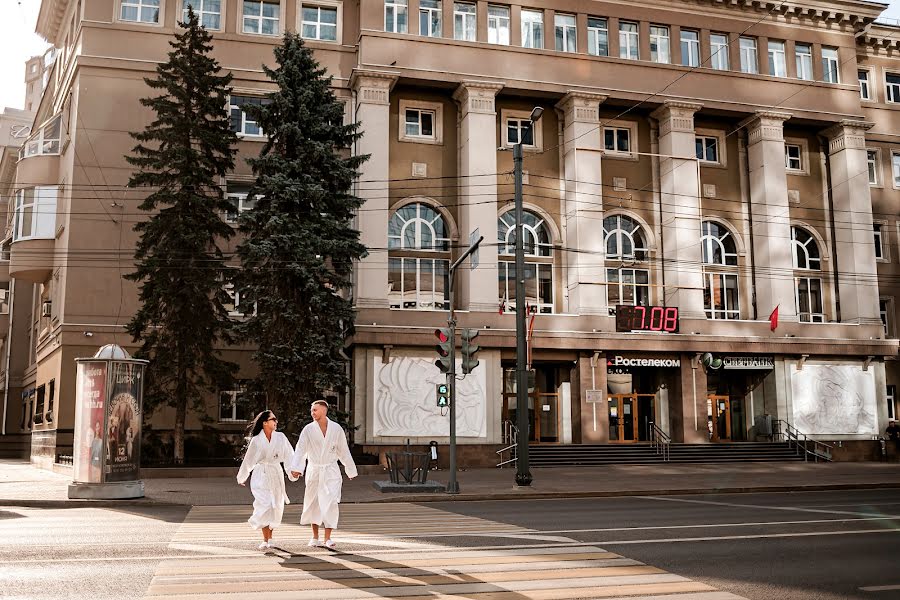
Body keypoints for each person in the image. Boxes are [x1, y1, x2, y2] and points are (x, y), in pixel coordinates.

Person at [290, 400, 357, 550]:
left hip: (331, 471)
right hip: (315, 470)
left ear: (324, 411)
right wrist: (297, 468)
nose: (312, 413)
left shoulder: (336, 429)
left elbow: (343, 450)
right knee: (314, 503)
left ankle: (328, 537)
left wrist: (350, 469)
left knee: (331, 502)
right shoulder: (308, 429)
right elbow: (300, 450)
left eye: (315, 410)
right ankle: (315, 537)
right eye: (312, 410)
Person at [237, 410, 298, 550]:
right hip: (261, 475)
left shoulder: (281, 437)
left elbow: (290, 455)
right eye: (273, 419)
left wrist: (292, 472)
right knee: (264, 504)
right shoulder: (256, 440)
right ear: (265, 422)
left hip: (276, 474)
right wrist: (243, 476)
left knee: (275, 506)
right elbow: (249, 460)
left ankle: (270, 537)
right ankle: (265, 539)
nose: (276, 422)